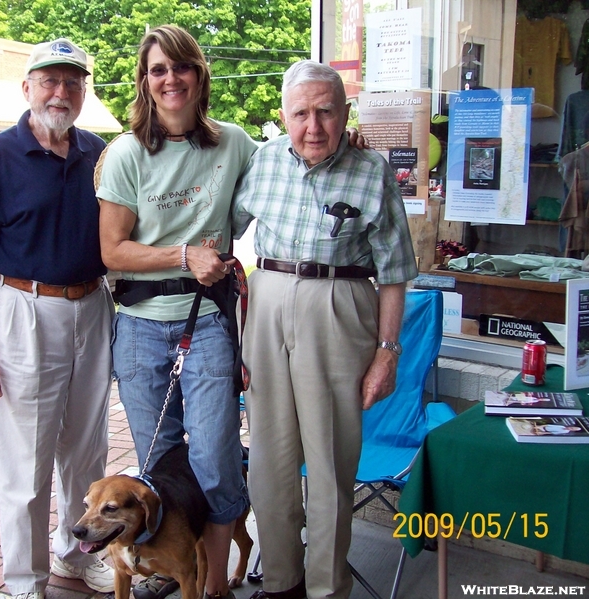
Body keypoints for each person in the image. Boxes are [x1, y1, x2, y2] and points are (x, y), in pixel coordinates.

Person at [232, 60, 418, 599]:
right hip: (267, 297)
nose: (313, 127)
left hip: (340, 304)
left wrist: (387, 352)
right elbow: (222, 230)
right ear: (284, 116)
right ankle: (282, 581)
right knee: (268, 457)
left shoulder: (370, 169)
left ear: (344, 113)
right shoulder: (261, 161)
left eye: (326, 112)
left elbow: (396, 272)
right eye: (301, 114)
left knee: (332, 461)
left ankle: (326, 588)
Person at [0, 37, 114, 599]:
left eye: (72, 81)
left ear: (84, 92)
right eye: (49, 80)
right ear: (27, 88)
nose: (60, 91)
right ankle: (26, 580)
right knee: (26, 461)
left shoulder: (100, 153)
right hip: (25, 310)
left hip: (93, 307)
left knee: (86, 450)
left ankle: (75, 556)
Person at [97, 25, 255, 599]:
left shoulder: (234, 143)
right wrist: (183, 254)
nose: (170, 79)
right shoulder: (126, 153)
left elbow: (290, 167)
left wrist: (345, 144)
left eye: (181, 67)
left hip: (208, 321)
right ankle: (172, 567)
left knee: (214, 457)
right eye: (158, 70)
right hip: (139, 326)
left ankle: (212, 587)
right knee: (161, 460)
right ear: (145, 80)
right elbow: (111, 249)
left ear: (199, 75)